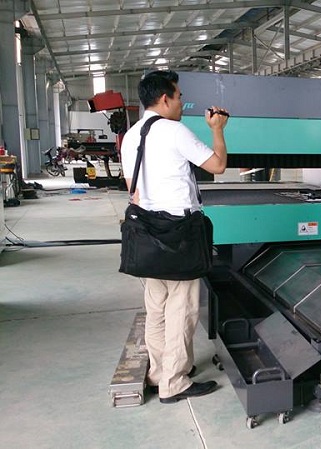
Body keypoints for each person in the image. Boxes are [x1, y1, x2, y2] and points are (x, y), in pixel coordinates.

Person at [121, 70, 229, 404]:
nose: (182, 102)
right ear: (165, 98)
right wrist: (217, 130)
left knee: (157, 308)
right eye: (179, 96)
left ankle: (159, 373)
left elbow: (133, 188)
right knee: (182, 310)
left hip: (147, 233)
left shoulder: (131, 136)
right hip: (179, 234)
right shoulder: (174, 131)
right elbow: (218, 166)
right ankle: (174, 382)